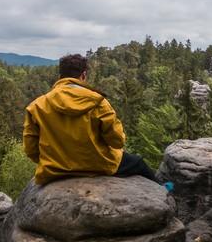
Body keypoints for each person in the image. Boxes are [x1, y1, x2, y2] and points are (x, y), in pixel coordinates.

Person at [23, 53, 169, 189]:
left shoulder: (36, 106)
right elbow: (117, 141)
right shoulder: (98, 102)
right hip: (98, 165)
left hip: (55, 169)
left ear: (60, 76)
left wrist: (54, 161)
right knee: (138, 163)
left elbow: (30, 149)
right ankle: (161, 191)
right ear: (84, 75)